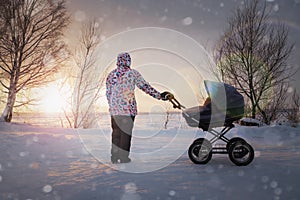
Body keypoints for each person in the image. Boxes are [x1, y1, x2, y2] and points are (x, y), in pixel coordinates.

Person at [106, 52, 171, 164]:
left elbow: (108, 93)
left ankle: (114, 157)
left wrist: (112, 106)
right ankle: (123, 158)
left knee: (116, 133)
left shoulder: (111, 75)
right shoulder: (132, 73)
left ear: (118, 61)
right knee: (125, 134)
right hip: (128, 109)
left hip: (115, 111)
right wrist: (159, 96)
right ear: (128, 61)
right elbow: (145, 87)